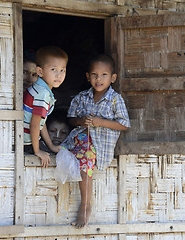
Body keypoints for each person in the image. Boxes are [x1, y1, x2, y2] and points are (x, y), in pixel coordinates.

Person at [62, 54, 130, 228]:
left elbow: (124, 124)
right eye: (94, 74)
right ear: (87, 76)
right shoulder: (81, 97)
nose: (98, 79)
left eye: (104, 75)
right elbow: (70, 119)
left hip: (99, 145)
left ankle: (85, 205)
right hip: (78, 140)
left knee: (85, 163)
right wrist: (80, 121)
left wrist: (101, 122)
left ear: (113, 78)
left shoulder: (115, 99)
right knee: (63, 154)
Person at [23, 46, 68, 168]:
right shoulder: (42, 94)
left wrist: (51, 146)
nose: (59, 75)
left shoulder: (41, 89)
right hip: (27, 142)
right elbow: (35, 125)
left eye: (62, 70)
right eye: (53, 69)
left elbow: (40, 123)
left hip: (31, 139)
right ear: (40, 71)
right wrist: (37, 151)